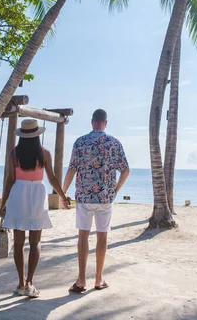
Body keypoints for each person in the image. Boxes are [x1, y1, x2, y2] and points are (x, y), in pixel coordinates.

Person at [62, 109, 130, 293]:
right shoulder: (114, 143)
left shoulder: (80, 142)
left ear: (92, 122)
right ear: (105, 123)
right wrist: (115, 190)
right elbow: (125, 170)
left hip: (84, 197)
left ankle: (81, 279)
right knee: (102, 236)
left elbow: (71, 169)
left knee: (83, 236)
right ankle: (99, 279)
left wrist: (62, 192)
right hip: (105, 198)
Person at [1, 118, 70, 298]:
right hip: (37, 194)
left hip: (18, 194)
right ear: (37, 134)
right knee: (35, 242)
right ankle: (30, 283)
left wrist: (4, 202)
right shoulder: (44, 153)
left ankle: (21, 283)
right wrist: (62, 196)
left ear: (22, 136)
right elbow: (52, 178)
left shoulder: (13, 154)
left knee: (18, 242)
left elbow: (10, 179)